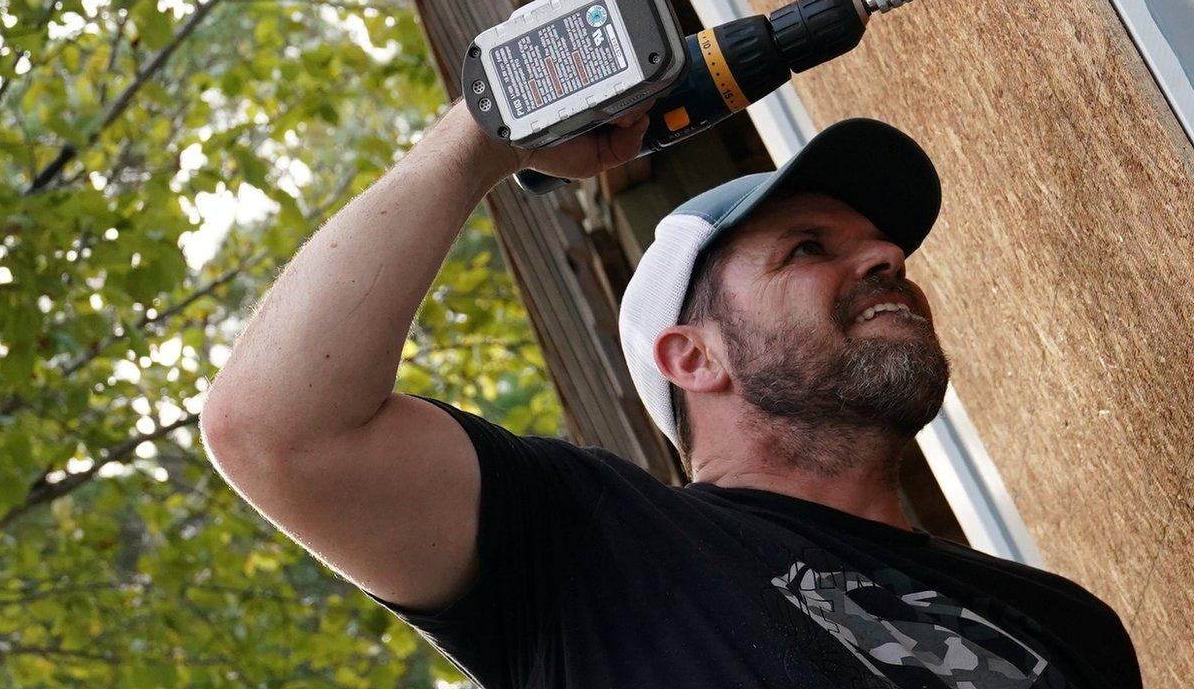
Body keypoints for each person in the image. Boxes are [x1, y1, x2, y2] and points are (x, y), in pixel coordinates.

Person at [200, 100, 1141, 687]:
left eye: (876, 246)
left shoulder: (1068, 627)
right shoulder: (594, 551)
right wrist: (481, 135)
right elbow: (283, 429)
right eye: (809, 248)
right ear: (693, 358)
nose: (887, 257)